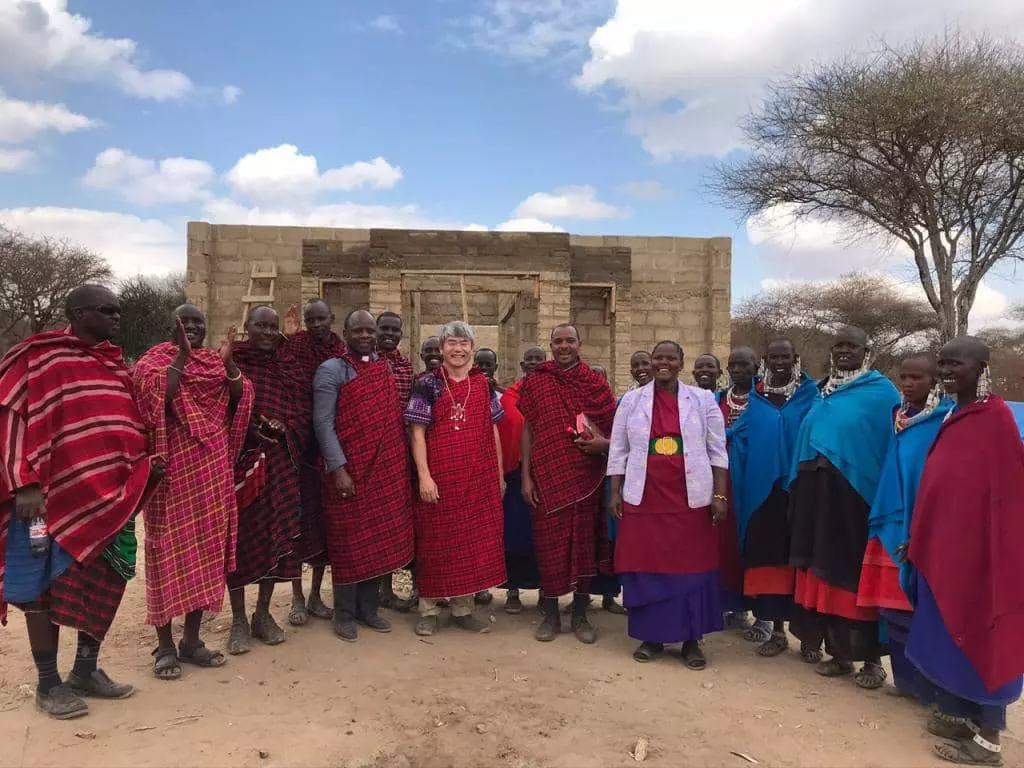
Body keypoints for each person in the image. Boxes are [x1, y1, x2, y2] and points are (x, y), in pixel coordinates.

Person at [0, 285, 164, 719]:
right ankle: (48, 683)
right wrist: (24, 484)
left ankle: (85, 670)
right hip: (48, 500)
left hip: (111, 499)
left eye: (117, 310)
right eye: (106, 310)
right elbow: (11, 417)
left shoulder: (113, 363)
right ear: (76, 312)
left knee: (110, 577)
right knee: (42, 592)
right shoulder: (38, 357)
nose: (115, 316)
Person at [904, 337, 1024, 766]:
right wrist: (922, 535)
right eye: (943, 363)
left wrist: (986, 552)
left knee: (984, 634)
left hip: (982, 556)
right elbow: (945, 487)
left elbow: (1005, 499)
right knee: (947, 632)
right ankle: (961, 715)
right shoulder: (956, 413)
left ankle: (989, 739)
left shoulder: (996, 420)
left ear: (982, 368)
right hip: (945, 550)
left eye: (957, 363)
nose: (947, 371)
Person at [133, 305, 254, 681]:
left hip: (211, 472)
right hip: (170, 475)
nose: (193, 329)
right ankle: (165, 645)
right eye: (186, 323)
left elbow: (241, 396)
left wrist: (229, 363)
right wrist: (183, 356)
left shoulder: (212, 363)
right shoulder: (153, 361)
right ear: (174, 326)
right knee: (164, 553)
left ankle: (191, 641)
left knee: (204, 555)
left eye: (199, 323)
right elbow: (158, 399)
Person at [787, 326, 900, 688]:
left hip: (855, 497)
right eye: (838, 346)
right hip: (817, 494)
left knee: (853, 574)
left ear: (868, 350)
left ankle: (871, 661)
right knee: (823, 571)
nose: (844, 351)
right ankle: (839, 655)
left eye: (852, 345)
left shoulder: (880, 392)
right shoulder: (823, 392)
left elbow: (883, 445)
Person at [608, 340, 729, 670]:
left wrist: (719, 495)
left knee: (692, 569)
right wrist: (615, 492)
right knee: (647, 568)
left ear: (680, 362)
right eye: (658, 358)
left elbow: (718, 451)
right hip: (644, 498)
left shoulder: (703, 400)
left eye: (670, 358)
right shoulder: (632, 401)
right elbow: (618, 450)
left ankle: (692, 641)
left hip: (690, 499)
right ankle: (652, 637)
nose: (663, 363)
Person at [313, 310, 414, 641]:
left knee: (376, 541)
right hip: (348, 472)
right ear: (345, 333)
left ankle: (368, 609)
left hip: (383, 472)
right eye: (358, 331)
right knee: (348, 543)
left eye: (370, 331)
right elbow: (323, 423)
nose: (366, 336)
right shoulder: (331, 370)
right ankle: (343, 612)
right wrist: (338, 468)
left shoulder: (383, 369)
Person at [855, 353, 950, 696]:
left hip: (918, 521)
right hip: (887, 517)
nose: (908, 385)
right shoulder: (898, 416)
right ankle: (904, 681)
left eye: (917, 378)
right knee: (890, 607)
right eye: (904, 378)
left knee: (914, 606)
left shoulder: (944, 420)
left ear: (935, 381)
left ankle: (926, 686)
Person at [406, 321, 506, 636]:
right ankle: (430, 609)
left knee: (470, 543)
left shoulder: (484, 385)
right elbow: (417, 432)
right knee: (435, 543)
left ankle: (463, 609)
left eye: (464, 343)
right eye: (452, 343)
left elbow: (493, 430)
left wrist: (499, 475)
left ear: (472, 349)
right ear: (442, 348)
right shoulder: (427, 384)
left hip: (476, 479)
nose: (458, 349)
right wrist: (424, 477)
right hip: (439, 479)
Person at [519, 324, 617, 644]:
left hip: (587, 477)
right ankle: (549, 613)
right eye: (558, 341)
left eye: (569, 340)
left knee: (584, 546)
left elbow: (615, 431)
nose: (564, 346)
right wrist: (526, 476)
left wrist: (601, 443)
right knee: (549, 547)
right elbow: (528, 430)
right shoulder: (536, 382)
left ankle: (579, 613)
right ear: (550, 345)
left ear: (580, 344)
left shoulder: (595, 384)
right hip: (547, 476)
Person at [727, 338, 818, 658]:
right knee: (771, 560)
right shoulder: (757, 398)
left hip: (801, 489)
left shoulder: (811, 396)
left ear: (795, 358)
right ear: (766, 359)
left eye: (785, 356)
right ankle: (776, 630)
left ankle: (809, 639)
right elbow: (739, 436)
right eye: (774, 357)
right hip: (763, 492)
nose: (779, 362)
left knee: (804, 559)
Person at [226, 306, 304, 655]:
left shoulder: (287, 368)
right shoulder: (232, 365)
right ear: (248, 328)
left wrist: (284, 425)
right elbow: (218, 411)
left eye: (273, 328)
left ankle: (263, 614)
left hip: (280, 465)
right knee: (241, 542)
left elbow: (299, 411)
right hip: (242, 467)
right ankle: (239, 619)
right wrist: (249, 431)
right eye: (261, 326)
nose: (269, 333)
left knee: (277, 539)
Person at [280, 300, 345, 628]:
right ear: (306, 322)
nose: (317, 324)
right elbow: (285, 377)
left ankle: (317, 595)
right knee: (299, 524)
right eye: (312, 319)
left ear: (331, 319)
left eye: (322, 318)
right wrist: (288, 340)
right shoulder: (296, 347)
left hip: (329, 446)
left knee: (324, 526)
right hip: (299, 445)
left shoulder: (340, 349)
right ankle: (297, 597)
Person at [716, 347, 765, 636]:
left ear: (756, 366)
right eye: (732, 364)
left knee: (755, 541)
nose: (737, 369)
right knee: (724, 543)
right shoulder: (717, 400)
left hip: (755, 479)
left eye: (744, 364)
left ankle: (762, 613)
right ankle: (728, 606)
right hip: (722, 482)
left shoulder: (767, 400)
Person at [500, 346, 546, 614]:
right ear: (522, 364)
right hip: (515, 475)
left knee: (542, 536)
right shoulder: (510, 395)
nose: (534, 363)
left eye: (539, 359)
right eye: (529, 360)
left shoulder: (553, 394)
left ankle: (544, 592)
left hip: (545, 475)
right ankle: (513, 592)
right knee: (514, 535)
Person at [581, 364, 625, 616]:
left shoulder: (617, 409)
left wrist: (604, 446)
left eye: (601, 378)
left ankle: (609, 596)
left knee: (610, 541)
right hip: (585, 482)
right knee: (588, 541)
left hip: (610, 483)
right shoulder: (579, 410)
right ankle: (583, 595)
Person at [470, 346, 504, 607]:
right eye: (479, 365)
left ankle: (480, 585)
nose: (483, 370)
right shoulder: (465, 389)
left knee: (483, 534)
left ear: (495, 367)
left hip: (494, 472)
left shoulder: (503, 395)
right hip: (468, 469)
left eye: (488, 365)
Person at [377, 312, 414, 409]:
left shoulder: (406, 366)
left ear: (401, 335)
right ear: (375, 331)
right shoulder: (365, 361)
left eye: (395, 330)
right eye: (384, 328)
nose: (389, 333)